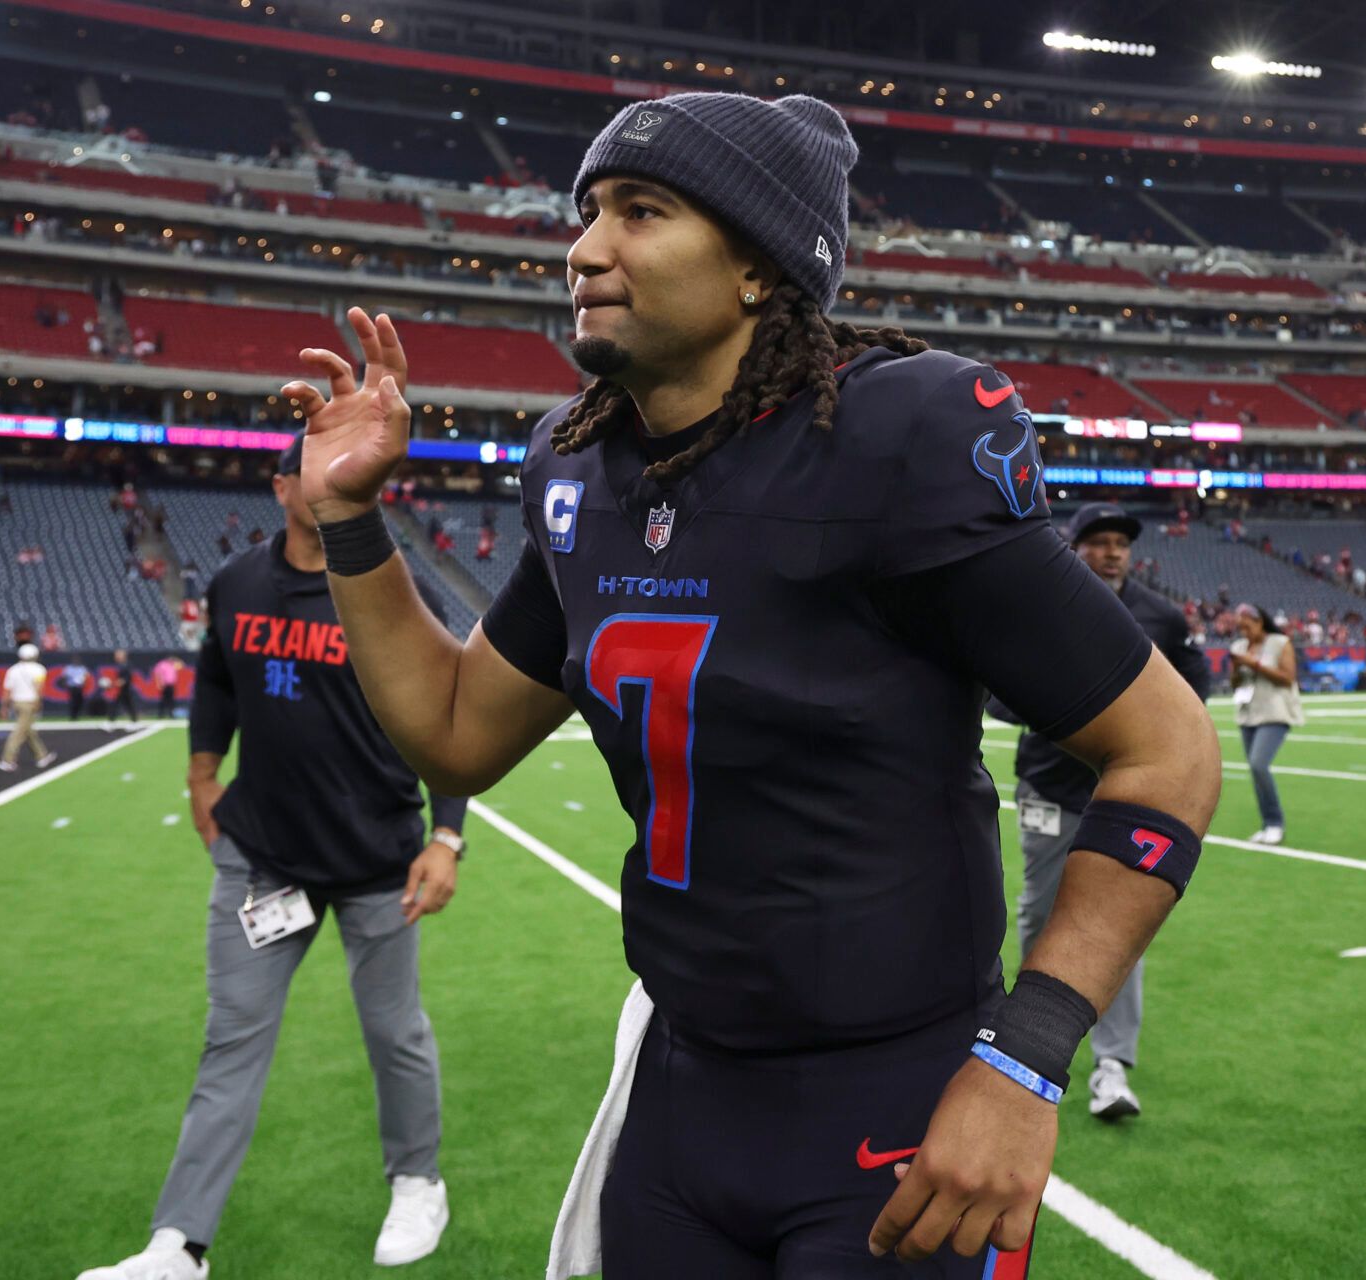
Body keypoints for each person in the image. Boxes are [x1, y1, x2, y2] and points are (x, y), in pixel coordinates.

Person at [283, 91, 1220, 1276]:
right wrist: (350, 522)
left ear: (758, 271)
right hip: (683, 1082)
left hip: (892, 1098)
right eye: (587, 212)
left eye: (642, 210)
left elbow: (1169, 749)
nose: (585, 248)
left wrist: (1023, 1054)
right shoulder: (580, 472)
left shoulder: (895, 440)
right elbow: (457, 733)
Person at [79, 440, 469, 1280]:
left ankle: (417, 1180)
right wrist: (200, 772)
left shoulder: (397, 584)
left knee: (393, 1029)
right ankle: (178, 1244)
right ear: (282, 484)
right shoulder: (236, 582)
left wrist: (449, 835)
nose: (332, 481)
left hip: (377, 856)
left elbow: (449, 704)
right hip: (263, 859)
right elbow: (216, 676)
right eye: (316, 469)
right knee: (231, 1045)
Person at [996, 503, 1211, 1123]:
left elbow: (1195, 689)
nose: (1113, 551)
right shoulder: (1043, 602)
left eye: (1120, 542)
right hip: (1048, 787)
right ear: (1075, 546)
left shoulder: (1162, 616)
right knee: (1040, 913)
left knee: (1119, 924)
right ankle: (1028, 1041)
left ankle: (1112, 1064)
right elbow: (1000, 683)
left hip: (1130, 794)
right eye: (1100, 541)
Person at [1228, 604, 1302, 844]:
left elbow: (1287, 678)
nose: (1244, 632)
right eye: (1240, 628)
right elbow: (1235, 683)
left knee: (1259, 764)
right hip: (1248, 713)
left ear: (1260, 622)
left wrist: (1253, 664)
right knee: (1254, 769)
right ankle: (1267, 824)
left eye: (1247, 627)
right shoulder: (1239, 647)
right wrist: (1238, 668)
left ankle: (1274, 823)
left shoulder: (1280, 642)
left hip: (1275, 712)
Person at [0, 643, 57, 772]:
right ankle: (7, 760)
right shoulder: (39, 669)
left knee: (28, 730)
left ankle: (42, 756)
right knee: (19, 732)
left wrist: (4, 707)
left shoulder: (12, 669)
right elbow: (39, 687)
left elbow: (7, 690)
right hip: (29, 703)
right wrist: (38, 701)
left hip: (16, 703)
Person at [105, 649, 140, 729]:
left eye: (118, 655)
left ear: (123, 656)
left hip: (126, 689)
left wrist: (111, 685)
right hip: (122, 689)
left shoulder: (127, 665)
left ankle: (134, 722)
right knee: (117, 705)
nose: (116, 657)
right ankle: (111, 722)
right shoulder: (121, 665)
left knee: (127, 705)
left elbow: (125, 679)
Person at [151, 653, 183, 719]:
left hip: (171, 685)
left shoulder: (172, 664)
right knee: (163, 700)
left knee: (171, 701)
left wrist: (176, 658)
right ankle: (160, 715)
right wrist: (159, 684)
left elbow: (182, 665)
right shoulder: (161, 664)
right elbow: (157, 675)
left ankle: (171, 715)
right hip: (164, 685)